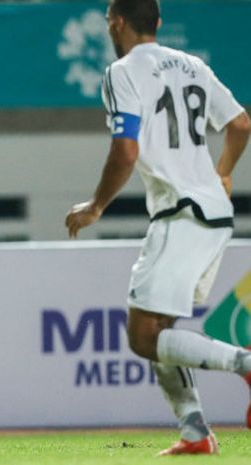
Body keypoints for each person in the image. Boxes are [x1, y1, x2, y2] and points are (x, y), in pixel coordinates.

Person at [65, 0, 251, 456]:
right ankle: (194, 432)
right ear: (160, 23)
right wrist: (224, 172)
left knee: (142, 336)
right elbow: (241, 123)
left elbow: (125, 151)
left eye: (109, 20)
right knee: (160, 329)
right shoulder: (193, 65)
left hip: (181, 213)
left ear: (117, 22)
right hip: (212, 214)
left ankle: (245, 363)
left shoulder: (123, 71)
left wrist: (96, 206)